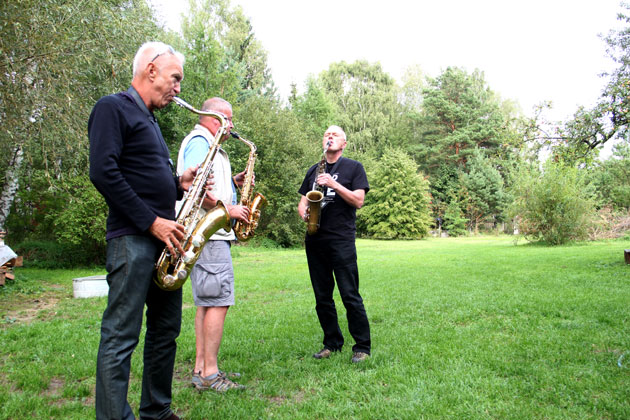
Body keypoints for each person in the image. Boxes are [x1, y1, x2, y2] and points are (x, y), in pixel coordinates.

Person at [89, 41, 192, 420]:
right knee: (121, 336)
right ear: (151, 70)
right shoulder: (112, 107)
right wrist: (151, 221)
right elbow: (103, 172)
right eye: (175, 78)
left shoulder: (149, 120)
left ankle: (157, 410)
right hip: (133, 240)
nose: (178, 88)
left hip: (165, 244)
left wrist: (178, 181)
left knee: (166, 331)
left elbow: (141, 174)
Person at [176, 97, 250, 392]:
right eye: (229, 120)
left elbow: (209, 184)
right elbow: (195, 190)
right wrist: (228, 210)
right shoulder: (200, 141)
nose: (232, 127)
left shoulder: (207, 144)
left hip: (207, 235)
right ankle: (210, 374)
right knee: (218, 301)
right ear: (215, 118)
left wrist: (233, 181)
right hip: (210, 234)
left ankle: (201, 368)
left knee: (206, 302)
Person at [297, 125, 372, 363]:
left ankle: (362, 346)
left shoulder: (354, 167)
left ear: (344, 143)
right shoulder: (313, 170)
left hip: (341, 240)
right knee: (322, 297)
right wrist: (305, 214)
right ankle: (332, 343)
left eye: (335, 135)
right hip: (315, 239)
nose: (329, 137)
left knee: (350, 294)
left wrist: (334, 184)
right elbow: (302, 202)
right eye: (326, 134)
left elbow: (358, 201)